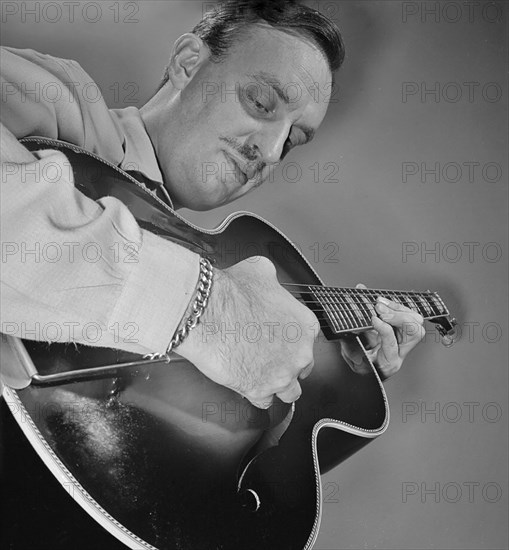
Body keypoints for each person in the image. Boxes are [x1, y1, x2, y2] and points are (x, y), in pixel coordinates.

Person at [0, 0, 425, 409]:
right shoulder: (56, 96)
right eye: (260, 102)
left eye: (292, 141)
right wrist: (207, 308)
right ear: (187, 62)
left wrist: (340, 372)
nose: (273, 151)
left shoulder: (198, 279)